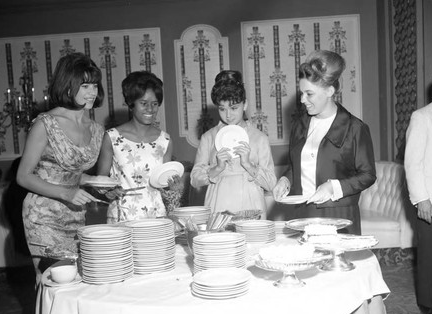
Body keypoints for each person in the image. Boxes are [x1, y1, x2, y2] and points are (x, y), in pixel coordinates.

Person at [17, 52, 105, 282]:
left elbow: (70, 172)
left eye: (94, 85)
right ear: (68, 86)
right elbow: (23, 176)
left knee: (77, 282)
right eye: (84, 85)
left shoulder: (95, 128)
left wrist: (95, 183)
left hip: (76, 216)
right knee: (57, 282)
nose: (92, 92)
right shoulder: (45, 124)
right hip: (43, 216)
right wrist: (67, 192)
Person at [273, 50, 376, 234]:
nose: (303, 100)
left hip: (340, 217)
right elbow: (297, 166)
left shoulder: (355, 128)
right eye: (302, 93)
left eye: (309, 94)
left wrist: (333, 186)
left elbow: (368, 175)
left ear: (330, 91)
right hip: (302, 214)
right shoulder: (299, 125)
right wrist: (285, 180)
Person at [190, 70, 277, 219]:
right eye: (222, 109)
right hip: (218, 205)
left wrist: (248, 165)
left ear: (245, 105)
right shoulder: (208, 137)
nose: (228, 115)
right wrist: (217, 168)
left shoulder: (259, 138)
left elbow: (271, 184)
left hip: (251, 205)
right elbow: (194, 179)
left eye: (234, 107)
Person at [97, 71, 174, 223]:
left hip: (156, 217)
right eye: (144, 103)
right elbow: (100, 182)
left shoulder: (165, 141)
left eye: (155, 104)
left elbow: (165, 187)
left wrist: (173, 187)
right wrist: (109, 192)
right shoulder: (112, 137)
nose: (150, 109)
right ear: (131, 103)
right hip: (122, 217)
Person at [404, 64, 432, 314]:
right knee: (429, 254)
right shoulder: (423, 117)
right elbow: (412, 162)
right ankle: (427, 301)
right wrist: (422, 199)